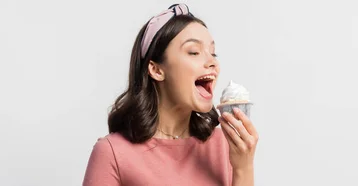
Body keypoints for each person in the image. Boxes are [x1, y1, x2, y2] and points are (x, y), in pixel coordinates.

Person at [82, 4, 259, 186]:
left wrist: (243, 168)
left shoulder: (226, 145)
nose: (212, 62)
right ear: (156, 69)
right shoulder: (112, 153)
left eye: (213, 53)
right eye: (194, 52)